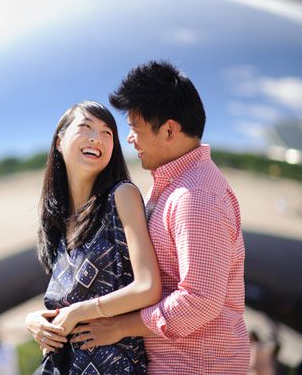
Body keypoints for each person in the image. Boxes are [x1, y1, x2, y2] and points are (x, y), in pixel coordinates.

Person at [63, 61, 250, 373]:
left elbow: (199, 301)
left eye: (135, 129)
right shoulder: (173, 186)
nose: (129, 139)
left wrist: (120, 327)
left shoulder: (196, 197)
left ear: (169, 130)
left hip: (196, 365)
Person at [25, 100, 161, 374]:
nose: (96, 138)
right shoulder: (57, 220)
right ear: (59, 141)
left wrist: (78, 313)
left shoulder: (121, 196)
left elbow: (148, 287)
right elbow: (64, 301)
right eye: (86, 127)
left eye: (107, 132)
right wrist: (35, 321)